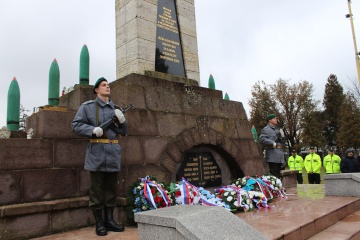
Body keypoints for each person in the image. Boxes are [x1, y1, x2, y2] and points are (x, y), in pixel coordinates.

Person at [72, 77, 128, 236]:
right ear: (96, 89)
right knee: (96, 189)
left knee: (111, 189)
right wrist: (91, 130)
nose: (107, 87)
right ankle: (99, 223)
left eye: (108, 85)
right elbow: (75, 125)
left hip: (112, 151)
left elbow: (123, 132)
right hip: (97, 151)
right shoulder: (87, 107)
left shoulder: (116, 108)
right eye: (104, 85)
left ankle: (109, 221)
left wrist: (122, 121)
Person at [259, 114, 286, 178]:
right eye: (274, 118)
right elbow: (262, 139)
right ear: (270, 120)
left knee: (278, 174)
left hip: (279, 154)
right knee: (274, 175)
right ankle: (275, 188)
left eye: (276, 118)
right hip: (272, 155)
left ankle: (278, 187)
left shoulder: (276, 130)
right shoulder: (266, 129)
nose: (276, 120)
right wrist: (272, 142)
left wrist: (282, 137)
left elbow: (282, 143)